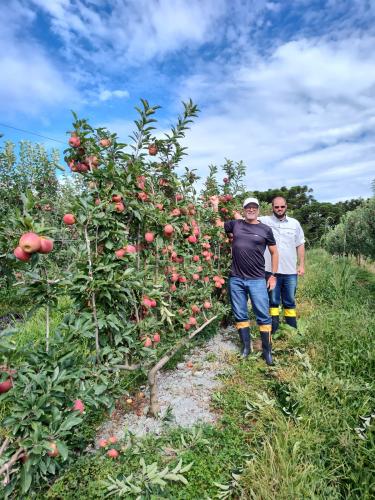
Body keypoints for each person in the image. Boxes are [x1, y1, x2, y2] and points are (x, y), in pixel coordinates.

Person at [210, 196, 278, 365]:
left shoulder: (265, 230)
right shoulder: (236, 224)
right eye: (248, 207)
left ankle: (267, 351)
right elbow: (218, 226)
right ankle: (246, 348)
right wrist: (215, 206)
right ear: (244, 209)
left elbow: (274, 252)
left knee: (263, 314)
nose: (251, 209)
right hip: (236, 279)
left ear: (258, 210)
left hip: (256, 279)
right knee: (240, 313)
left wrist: (273, 275)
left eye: (254, 207)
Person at [259, 196, 305, 333]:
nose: (279, 209)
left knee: (289, 300)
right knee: (273, 301)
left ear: (286, 207)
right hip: (271, 271)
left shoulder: (294, 223)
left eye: (282, 206)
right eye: (276, 207)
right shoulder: (264, 221)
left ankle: (291, 330)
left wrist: (301, 265)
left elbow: (300, 244)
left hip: (290, 271)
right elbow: (247, 219)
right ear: (272, 207)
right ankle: (274, 329)